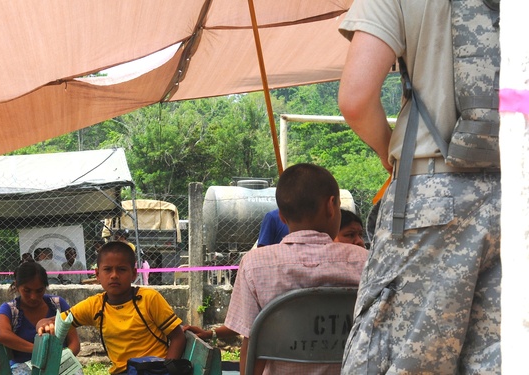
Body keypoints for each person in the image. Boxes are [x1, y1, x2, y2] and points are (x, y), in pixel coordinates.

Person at [338, 2, 501, 373]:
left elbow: (355, 98)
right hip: (515, 197)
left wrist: (387, 151)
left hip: (429, 194)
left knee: (400, 360)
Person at [224, 163, 368, 375]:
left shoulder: (255, 265)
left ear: (281, 216)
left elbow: (252, 346)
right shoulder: (365, 262)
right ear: (331, 206)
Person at [184, 206, 368, 344]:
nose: (359, 241)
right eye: (350, 235)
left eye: (360, 235)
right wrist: (210, 334)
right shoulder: (369, 264)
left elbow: (249, 330)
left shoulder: (257, 264)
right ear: (330, 228)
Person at [36, 241, 186, 375]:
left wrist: (167, 370)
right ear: (97, 275)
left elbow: (178, 337)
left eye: (121, 269)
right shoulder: (94, 306)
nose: (114, 275)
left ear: (133, 274)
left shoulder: (149, 299)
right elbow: (59, 320)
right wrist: (43, 322)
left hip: (154, 369)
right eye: (107, 269)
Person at [0, 262, 81, 375]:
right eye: (27, 290)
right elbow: (1, 334)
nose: (33, 297)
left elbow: (74, 343)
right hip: (23, 366)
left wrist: (57, 360)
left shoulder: (58, 305)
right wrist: (39, 351)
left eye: (39, 290)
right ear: (16, 286)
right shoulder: (9, 310)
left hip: (59, 364)